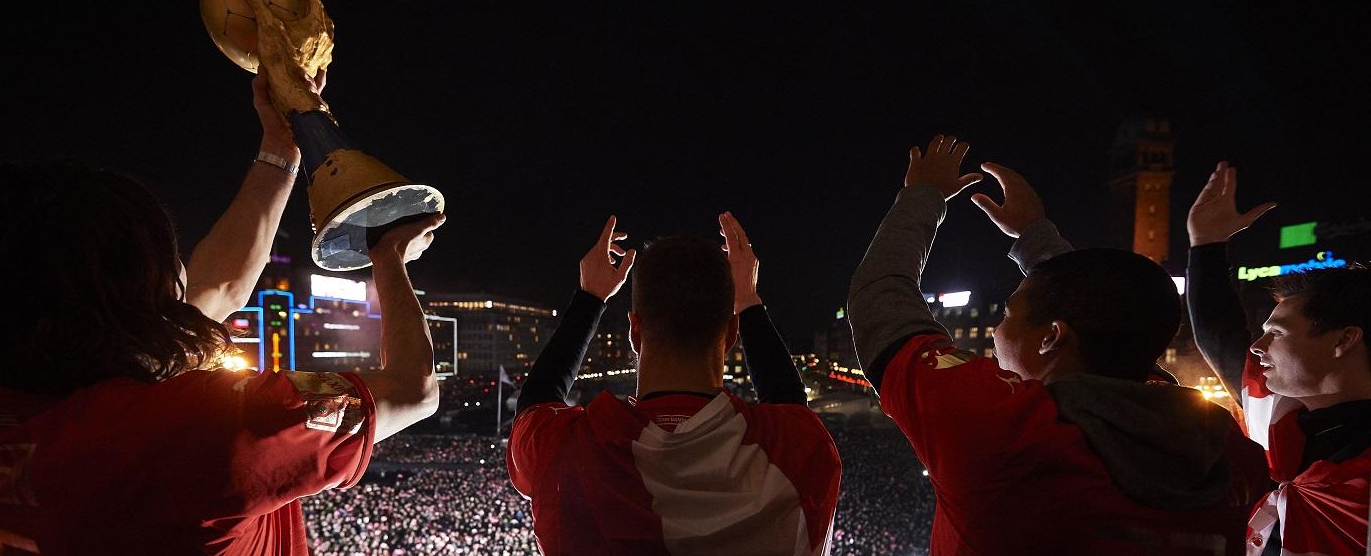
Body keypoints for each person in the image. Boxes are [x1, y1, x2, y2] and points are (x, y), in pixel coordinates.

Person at [0, 66, 446, 553]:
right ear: (124, 294)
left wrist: (280, 147)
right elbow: (411, 390)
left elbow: (218, 288)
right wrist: (388, 253)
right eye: (165, 258)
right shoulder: (193, 430)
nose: (180, 270)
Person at [847, 135, 1269, 555]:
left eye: (1009, 316)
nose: (996, 332)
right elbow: (1117, 334)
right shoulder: (1228, 450)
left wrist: (922, 196)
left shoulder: (1000, 429)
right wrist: (1037, 241)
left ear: (1051, 336)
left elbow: (881, 300)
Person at [507, 213, 841, 555]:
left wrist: (590, 298)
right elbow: (791, 408)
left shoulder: (568, 449)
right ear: (730, 335)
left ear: (635, 332)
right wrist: (749, 301)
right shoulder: (798, 453)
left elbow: (535, 403)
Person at [1185, 161, 1370, 555]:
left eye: (1277, 333)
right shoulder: (1275, 416)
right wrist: (1206, 245)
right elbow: (1219, 335)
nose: (1256, 346)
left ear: (1345, 339)